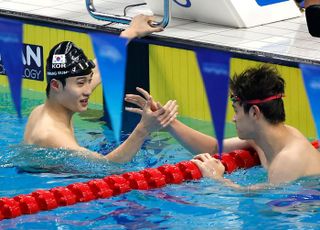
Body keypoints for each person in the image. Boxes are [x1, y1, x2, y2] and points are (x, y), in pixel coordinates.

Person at [125, 65, 320, 189]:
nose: (234, 119)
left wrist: (216, 178)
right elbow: (213, 148)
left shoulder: (287, 161)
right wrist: (169, 123)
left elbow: (266, 208)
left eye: (236, 110)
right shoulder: (266, 138)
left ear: (254, 113)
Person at [24, 15, 178, 163]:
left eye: (88, 81)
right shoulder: (52, 135)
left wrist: (132, 32)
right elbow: (107, 167)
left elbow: (100, 67)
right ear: (56, 85)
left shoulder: (45, 108)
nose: (88, 90)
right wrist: (143, 129)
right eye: (80, 83)